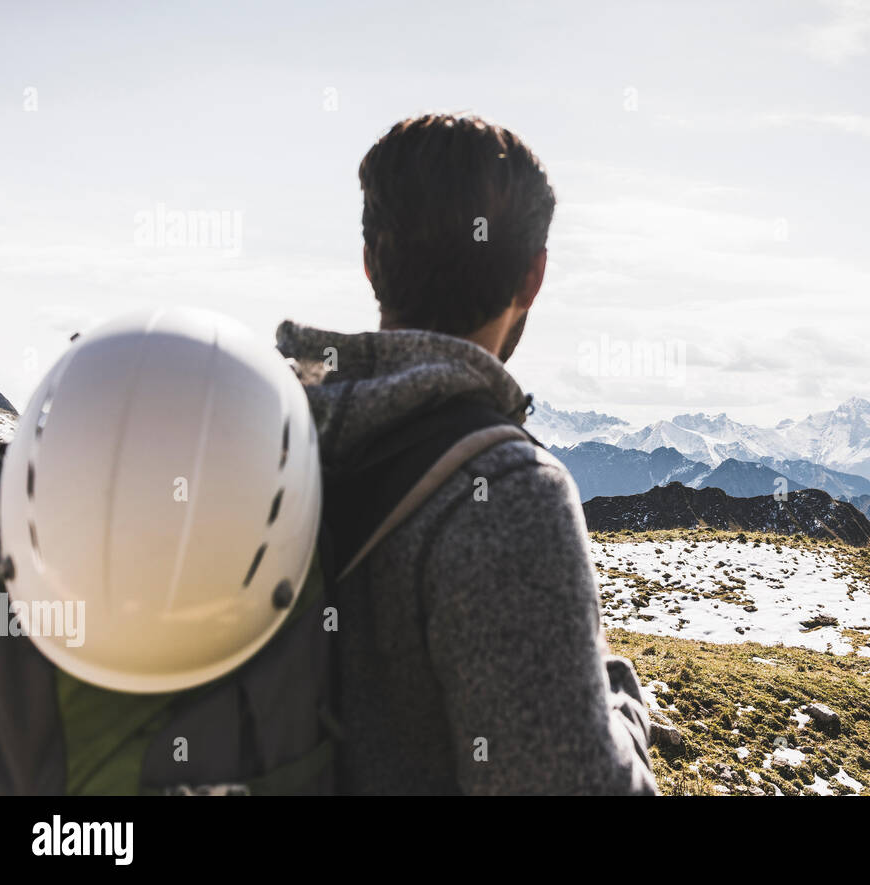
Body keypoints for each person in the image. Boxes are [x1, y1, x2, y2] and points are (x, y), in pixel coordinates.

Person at [276, 113, 658, 795]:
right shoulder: (510, 491)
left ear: (370, 263)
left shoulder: (277, 430)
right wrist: (623, 706)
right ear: (533, 278)